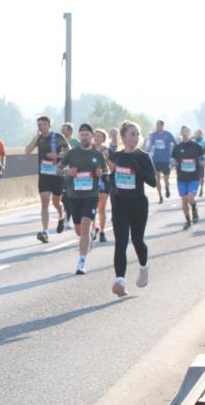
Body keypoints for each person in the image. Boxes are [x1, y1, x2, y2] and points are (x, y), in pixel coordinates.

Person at [108, 121, 156, 297]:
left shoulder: (143, 157)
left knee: (137, 240)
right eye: (132, 134)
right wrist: (112, 187)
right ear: (123, 137)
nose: (136, 137)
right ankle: (120, 280)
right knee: (120, 242)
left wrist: (138, 169)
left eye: (137, 134)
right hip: (120, 203)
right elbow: (112, 178)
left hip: (138, 203)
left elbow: (153, 182)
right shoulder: (116, 157)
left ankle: (143, 267)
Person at [58, 123, 107, 274]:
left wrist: (101, 173)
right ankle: (88, 239)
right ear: (79, 136)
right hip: (74, 195)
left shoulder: (97, 154)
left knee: (85, 227)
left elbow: (106, 171)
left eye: (87, 135)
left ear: (91, 136)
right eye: (82, 135)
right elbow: (58, 170)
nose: (84, 137)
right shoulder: (72, 153)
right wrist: (68, 172)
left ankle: (81, 263)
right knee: (79, 231)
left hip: (91, 195)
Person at [24, 115, 70, 243]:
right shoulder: (38, 138)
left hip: (57, 174)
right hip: (44, 174)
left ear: (49, 125)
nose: (42, 127)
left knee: (56, 202)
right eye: (39, 124)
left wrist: (58, 155)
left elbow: (69, 152)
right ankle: (45, 231)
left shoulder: (58, 137)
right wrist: (36, 137)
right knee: (44, 202)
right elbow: (27, 151)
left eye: (44, 124)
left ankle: (61, 216)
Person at [171, 126, 205, 230]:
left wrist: (202, 162)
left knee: (190, 197)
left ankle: (194, 209)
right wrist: (173, 164)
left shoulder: (197, 146)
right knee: (184, 201)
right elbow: (173, 160)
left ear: (190, 133)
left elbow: (203, 159)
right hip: (182, 178)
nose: (184, 133)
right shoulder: (177, 148)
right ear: (181, 133)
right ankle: (188, 221)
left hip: (194, 177)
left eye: (186, 131)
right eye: (183, 131)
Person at [144, 120, 177, 203]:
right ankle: (160, 196)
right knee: (157, 179)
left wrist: (173, 153)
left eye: (158, 125)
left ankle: (167, 188)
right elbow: (149, 146)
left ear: (162, 125)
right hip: (156, 160)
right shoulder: (154, 135)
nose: (157, 127)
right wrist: (145, 151)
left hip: (165, 160)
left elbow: (175, 143)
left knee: (166, 179)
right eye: (156, 125)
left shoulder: (168, 134)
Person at [93, 129, 112, 242]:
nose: (96, 138)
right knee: (92, 206)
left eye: (99, 136)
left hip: (104, 179)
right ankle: (93, 229)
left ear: (104, 138)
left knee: (101, 207)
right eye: (95, 136)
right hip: (92, 179)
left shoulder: (108, 150)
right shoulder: (89, 149)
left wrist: (107, 159)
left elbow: (112, 167)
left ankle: (102, 231)